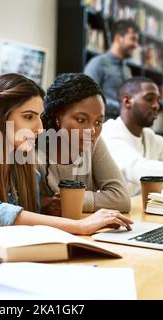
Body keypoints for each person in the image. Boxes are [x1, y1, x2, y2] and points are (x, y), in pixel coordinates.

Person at [0, 73, 133, 239]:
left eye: (39, 116)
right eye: (29, 117)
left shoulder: (21, 161)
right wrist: (79, 226)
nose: (39, 128)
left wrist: (48, 206)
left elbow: (27, 216)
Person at [38, 73, 130, 215]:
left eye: (98, 122)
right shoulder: (33, 148)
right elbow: (23, 204)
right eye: (81, 120)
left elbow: (122, 199)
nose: (92, 130)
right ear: (58, 116)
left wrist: (72, 200)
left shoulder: (93, 143)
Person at [84, 19, 140, 121]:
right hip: (103, 130)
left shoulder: (127, 70)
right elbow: (88, 97)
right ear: (119, 38)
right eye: (133, 39)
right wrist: (123, 107)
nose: (136, 45)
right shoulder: (97, 64)